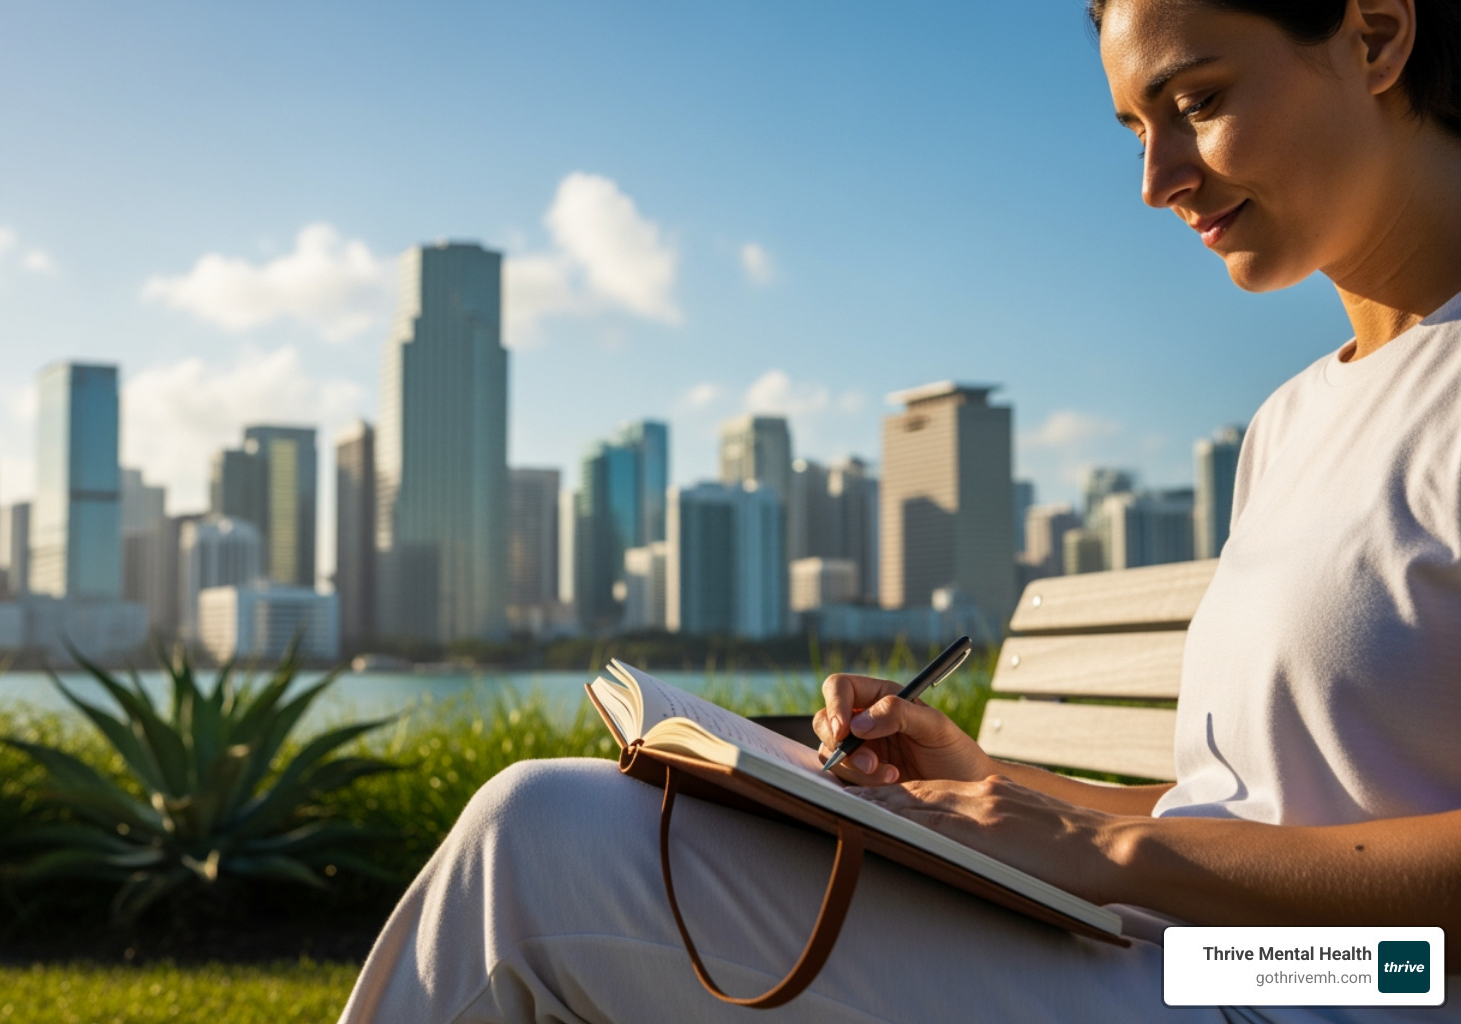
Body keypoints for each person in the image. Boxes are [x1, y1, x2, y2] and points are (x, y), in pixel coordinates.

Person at [339, 1, 1461, 1020]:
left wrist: (1112, 855)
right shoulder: (1297, 418)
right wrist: (981, 782)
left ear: (1373, 35)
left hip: (1353, 983)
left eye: (1198, 103)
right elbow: (1259, 805)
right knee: (542, 834)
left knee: (539, 848)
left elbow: (1215, 872)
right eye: (1134, 129)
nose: (1156, 178)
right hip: (1208, 958)